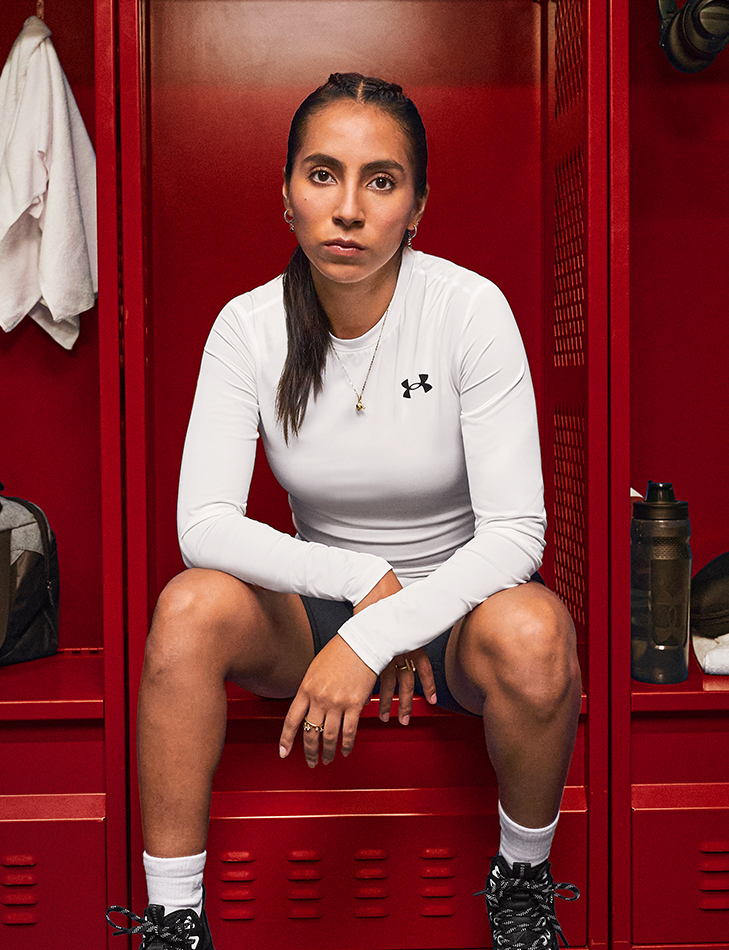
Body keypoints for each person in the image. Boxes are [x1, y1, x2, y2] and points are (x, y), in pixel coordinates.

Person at [107, 72, 582, 950]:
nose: (350, 208)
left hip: (459, 615)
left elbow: (516, 533)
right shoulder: (248, 328)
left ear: (417, 205)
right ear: (286, 197)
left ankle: (523, 881)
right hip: (322, 604)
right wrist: (366, 595)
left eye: (382, 180)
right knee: (187, 608)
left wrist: (382, 634)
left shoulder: (469, 310)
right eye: (323, 175)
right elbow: (203, 523)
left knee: (537, 633)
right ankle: (172, 923)